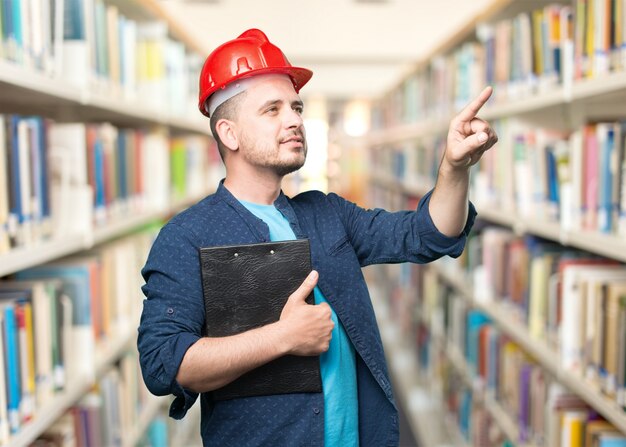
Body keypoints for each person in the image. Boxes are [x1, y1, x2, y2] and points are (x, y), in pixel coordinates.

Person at [137, 28, 497, 447]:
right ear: (229, 133)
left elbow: (429, 234)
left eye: (296, 107)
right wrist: (282, 337)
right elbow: (162, 363)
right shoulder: (187, 236)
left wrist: (455, 169)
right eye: (272, 110)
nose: (294, 120)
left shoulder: (326, 213)